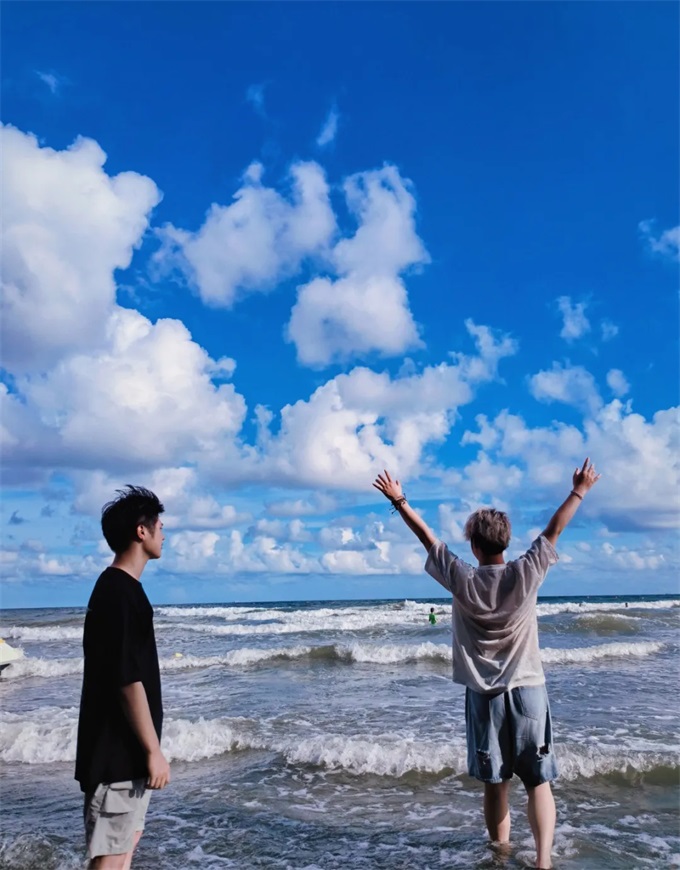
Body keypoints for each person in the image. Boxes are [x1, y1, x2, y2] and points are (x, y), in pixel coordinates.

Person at [373, 458, 601, 870]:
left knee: (496, 784)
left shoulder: (462, 577)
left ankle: (501, 858)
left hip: (484, 695)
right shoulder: (527, 571)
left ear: (474, 546)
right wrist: (579, 490)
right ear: (506, 542)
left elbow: (427, 539)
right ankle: (544, 862)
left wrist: (399, 500)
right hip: (529, 689)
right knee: (538, 782)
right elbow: (554, 530)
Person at [75, 486, 171, 870]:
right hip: (116, 758)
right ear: (140, 531)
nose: (164, 533)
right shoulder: (118, 593)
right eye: (159, 525)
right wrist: (153, 750)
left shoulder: (122, 590)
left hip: (125, 758)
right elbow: (127, 681)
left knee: (124, 849)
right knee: (111, 859)